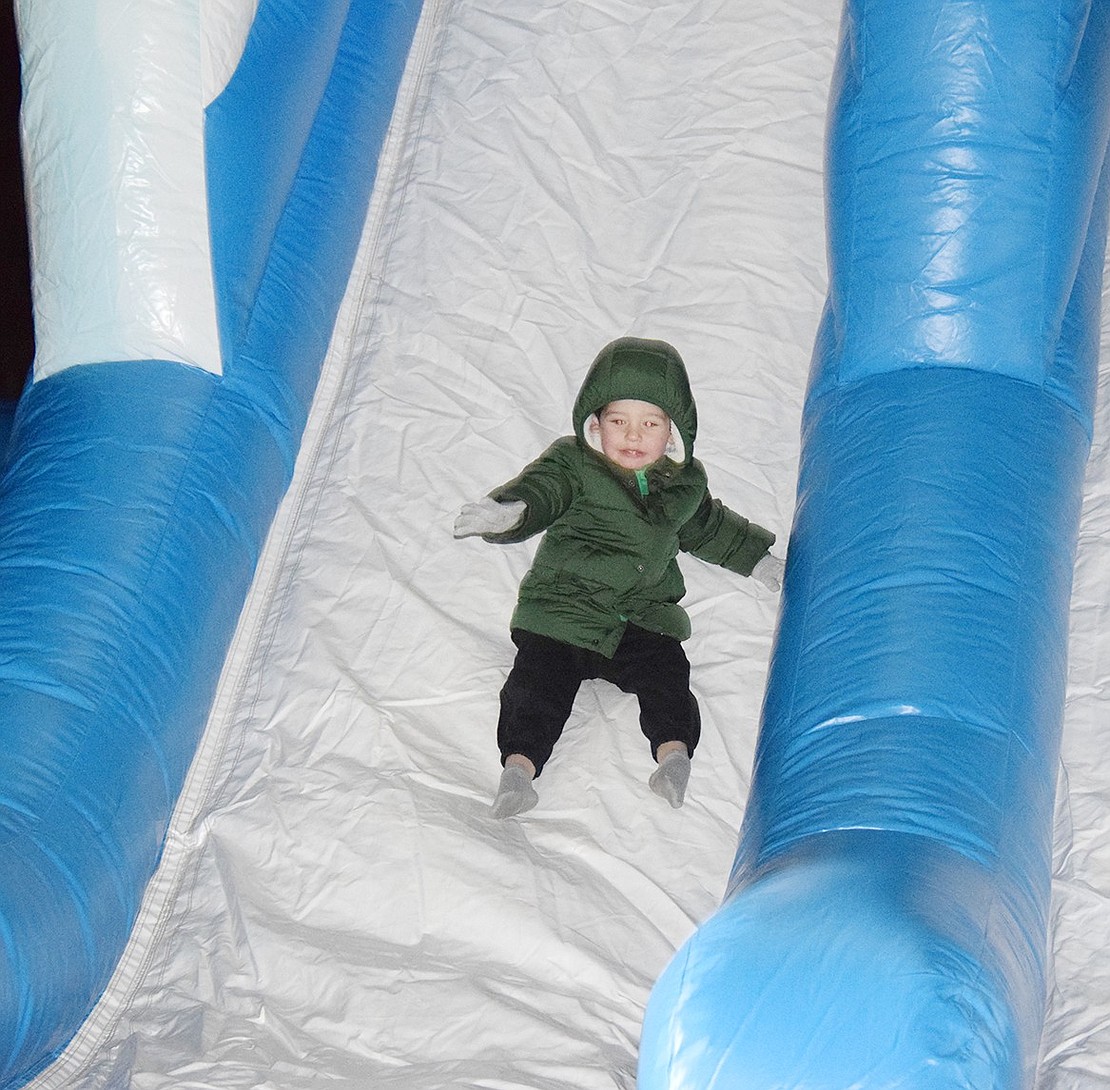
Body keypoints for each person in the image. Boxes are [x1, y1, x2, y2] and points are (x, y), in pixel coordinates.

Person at [454, 336, 784, 818]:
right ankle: (518, 771)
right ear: (595, 423)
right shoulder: (574, 464)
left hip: (641, 616)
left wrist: (760, 561)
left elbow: (710, 528)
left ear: (672, 432)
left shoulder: (686, 485)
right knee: (535, 684)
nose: (633, 436)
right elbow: (543, 489)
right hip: (563, 610)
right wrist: (511, 511)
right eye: (618, 421)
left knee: (668, 672)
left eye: (649, 423)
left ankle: (673, 756)